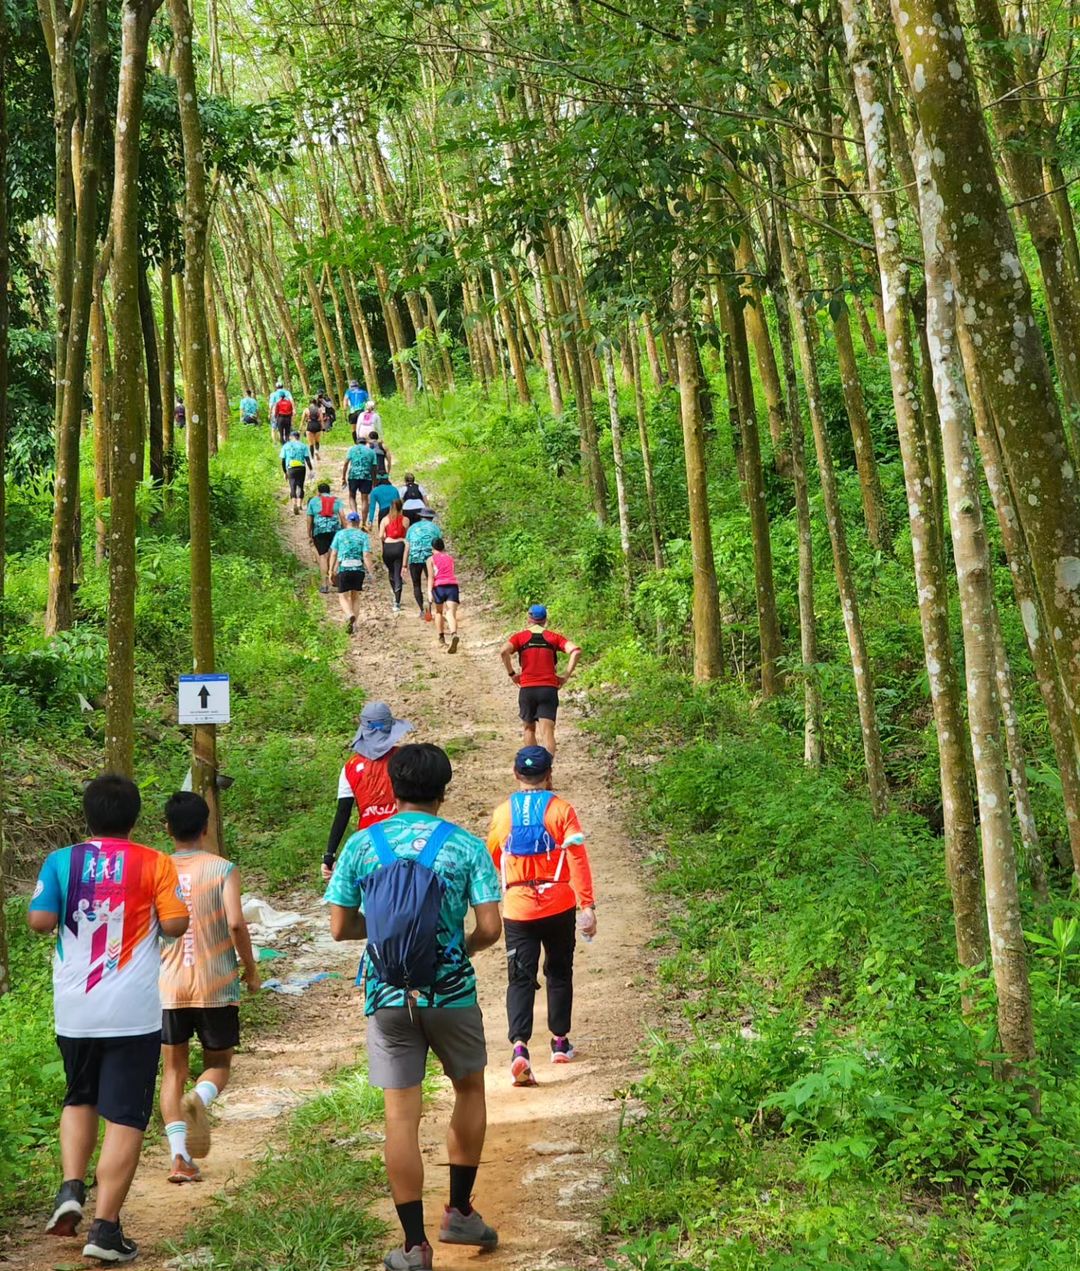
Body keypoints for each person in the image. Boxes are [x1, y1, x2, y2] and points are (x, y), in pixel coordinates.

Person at [325, 744, 503, 1271]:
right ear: (444, 790)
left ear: (393, 789)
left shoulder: (361, 846)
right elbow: (491, 928)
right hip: (451, 995)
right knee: (469, 1089)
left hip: (386, 997)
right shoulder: (466, 847)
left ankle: (413, 1246)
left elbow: (339, 927)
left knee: (400, 1116)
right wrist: (456, 949)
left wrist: (380, 934)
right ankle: (461, 1213)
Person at [28, 774, 189, 1263]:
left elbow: (39, 921)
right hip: (131, 1013)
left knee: (79, 1098)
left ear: (87, 815)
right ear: (135, 818)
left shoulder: (61, 862)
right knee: (125, 1116)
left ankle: (71, 1188)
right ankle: (105, 1228)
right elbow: (177, 922)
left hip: (74, 1009)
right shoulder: (155, 862)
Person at [159, 792, 260, 1185]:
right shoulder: (222, 869)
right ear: (206, 828)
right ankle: (199, 1099)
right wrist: (250, 970)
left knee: (172, 1070)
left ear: (167, 829)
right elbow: (236, 923)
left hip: (169, 986)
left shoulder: (158, 869)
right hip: (216, 984)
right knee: (218, 1065)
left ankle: (180, 1157)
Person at [486, 747, 596, 1087]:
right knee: (559, 971)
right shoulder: (562, 811)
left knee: (520, 978)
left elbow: (493, 854)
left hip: (518, 908)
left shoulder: (503, 814)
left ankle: (519, 1048)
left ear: (516, 775)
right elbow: (577, 857)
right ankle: (560, 1042)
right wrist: (587, 905)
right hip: (559, 903)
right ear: (549, 774)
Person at [322, 701, 413, 881]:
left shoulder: (350, 767)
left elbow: (343, 811)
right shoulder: (406, 758)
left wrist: (330, 855)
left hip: (370, 845)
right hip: (407, 839)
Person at [500, 605, 581, 757]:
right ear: (545, 620)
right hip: (548, 689)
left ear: (529, 618)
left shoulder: (520, 637)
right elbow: (575, 651)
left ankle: (532, 766)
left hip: (527, 689)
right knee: (547, 732)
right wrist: (565, 676)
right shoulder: (554, 637)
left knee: (529, 729)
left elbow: (504, 651)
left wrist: (512, 674)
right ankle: (547, 769)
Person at [329, 511, 375, 634]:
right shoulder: (363, 536)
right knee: (355, 596)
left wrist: (331, 570)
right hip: (358, 569)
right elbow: (366, 555)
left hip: (344, 568)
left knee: (343, 595)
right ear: (358, 522)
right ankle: (354, 625)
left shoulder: (340, 534)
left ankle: (349, 614)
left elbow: (333, 553)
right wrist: (371, 572)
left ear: (348, 522)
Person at [307, 479, 347, 593]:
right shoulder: (337, 500)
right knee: (335, 553)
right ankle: (334, 577)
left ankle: (324, 585)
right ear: (329, 492)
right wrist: (344, 530)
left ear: (318, 492)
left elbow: (309, 518)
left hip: (319, 531)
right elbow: (343, 516)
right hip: (335, 530)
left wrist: (309, 533)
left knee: (323, 556)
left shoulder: (313, 501)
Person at [404, 507, 442, 620]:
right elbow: (438, 546)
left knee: (416, 584)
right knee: (432, 582)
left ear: (421, 517)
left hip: (415, 558)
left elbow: (407, 547)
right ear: (431, 518)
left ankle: (422, 610)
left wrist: (404, 564)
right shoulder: (435, 528)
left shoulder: (412, 528)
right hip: (429, 558)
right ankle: (430, 607)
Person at [426, 538, 460, 654]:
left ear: (432, 548)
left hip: (439, 587)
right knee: (450, 612)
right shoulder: (450, 558)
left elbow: (431, 577)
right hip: (452, 586)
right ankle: (454, 633)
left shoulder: (430, 559)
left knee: (439, 612)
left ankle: (441, 637)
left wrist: (429, 592)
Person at [379, 499, 408, 615]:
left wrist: (386, 540)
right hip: (399, 547)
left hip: (387, 548)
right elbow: (406, 535)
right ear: (401, 508)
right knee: (398, 573)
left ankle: (394, 592)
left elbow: (381, 535)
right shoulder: (405, 520)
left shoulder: (385, 520)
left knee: (391, 572)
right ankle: (397, 601)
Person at [342, 433, 379, 523]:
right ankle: (363, 523)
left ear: (357, 442)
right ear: (366, 442)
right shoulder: (371, 451)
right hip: (366, 476)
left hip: (353, 475)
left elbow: (346, 463)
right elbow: (374, 467)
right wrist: (374, 481)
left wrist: (343, 477)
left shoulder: (352, 449)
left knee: (352, 496)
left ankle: (355, 516)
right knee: (365, 499)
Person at [280, 429, 313, 514]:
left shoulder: (286, 446)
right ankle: (299, 505)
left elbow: (283, 460)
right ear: (298, 437)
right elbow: (307, 459)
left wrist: (285, 472)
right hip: (301, 467)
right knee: (301, 486)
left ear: (291, 437)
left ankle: (294, 504)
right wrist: (311, 469)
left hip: (291, 468)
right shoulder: (303, 446)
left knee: (292, 486)